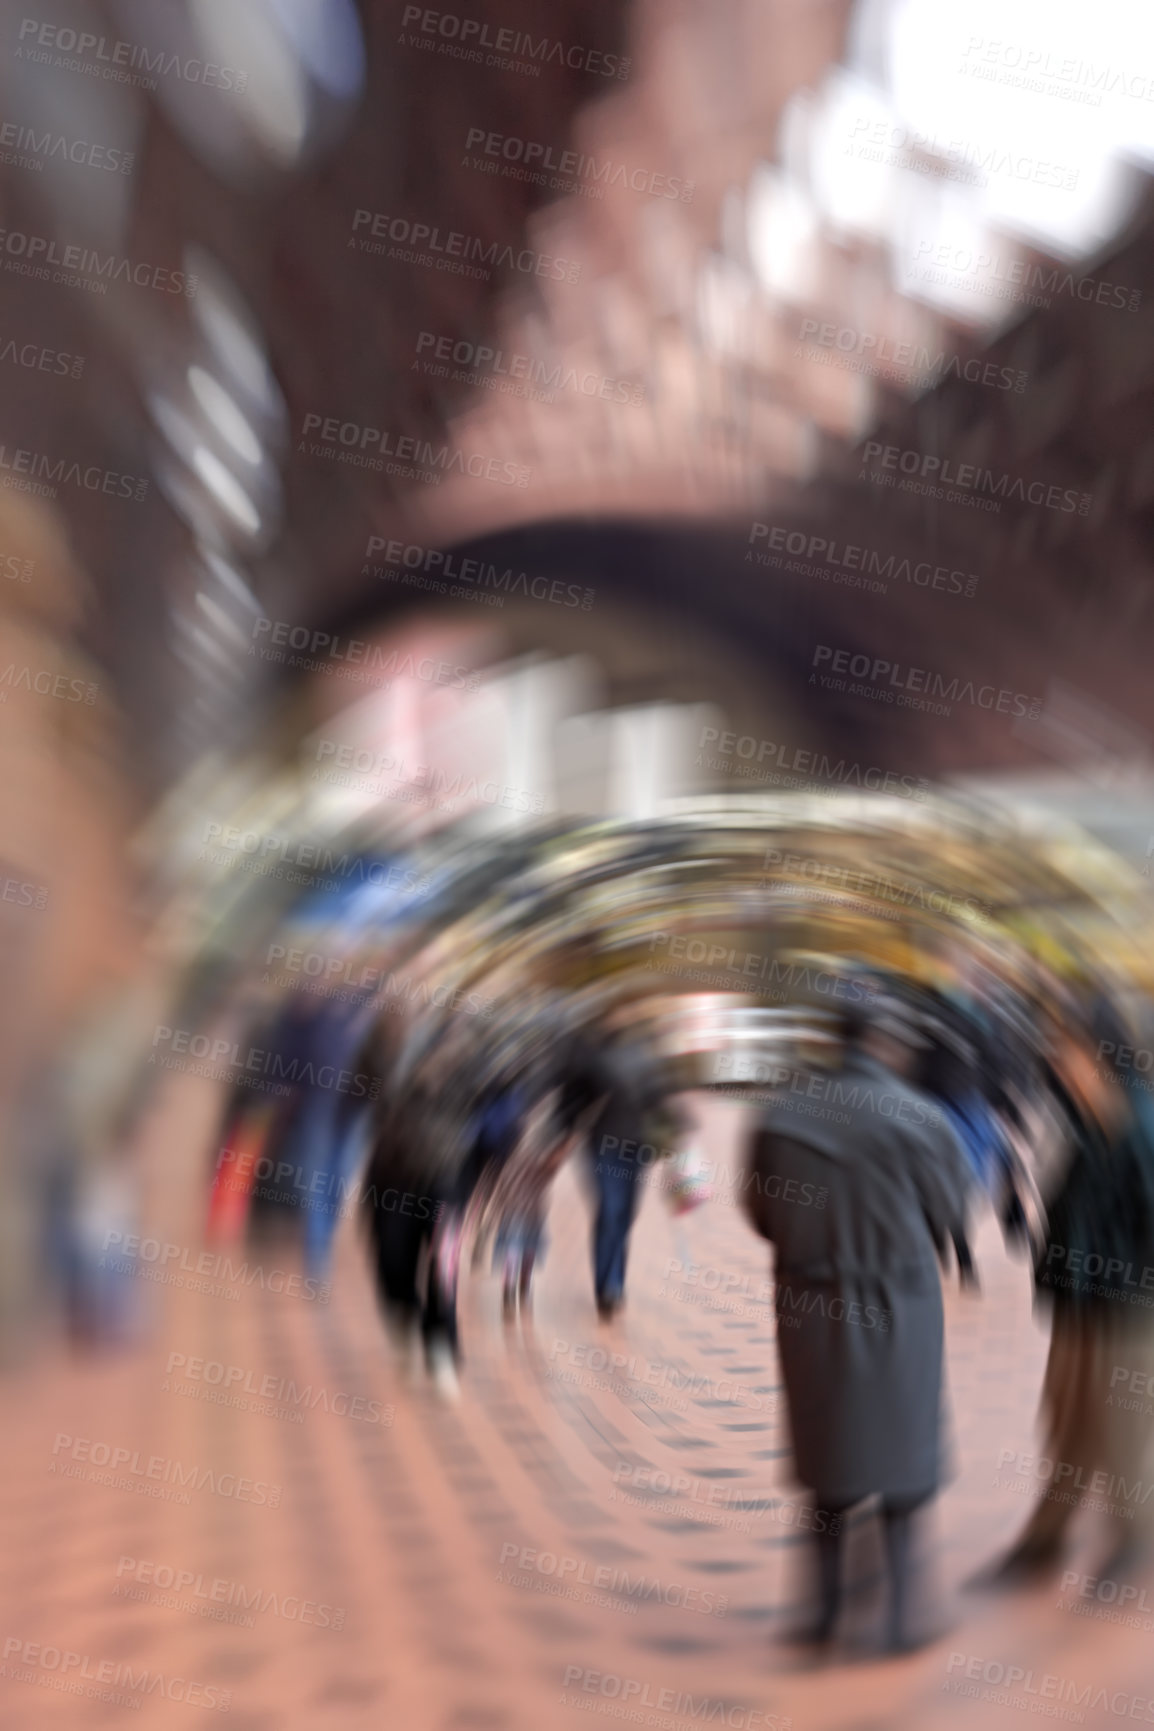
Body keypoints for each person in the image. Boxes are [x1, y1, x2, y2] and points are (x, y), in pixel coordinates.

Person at [743, 995, 972, 1653]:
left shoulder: (782, 1115)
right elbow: (952, 1211)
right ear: (884, 1043)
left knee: (827, 1457)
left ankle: (819, 1616)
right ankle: (903, 1616)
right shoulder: (920, 1117)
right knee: (903, 1458)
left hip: (810, 1304)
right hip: (899, 1302)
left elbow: (761, 1213)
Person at [985, 1006, 1154, 1582]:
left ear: (1101, 1055)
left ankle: (1132, 1542)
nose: (1060, 1062)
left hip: (1129, 1309)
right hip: (1078, 1302)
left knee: (1121, 1431)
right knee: (1067, 1421)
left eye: (1070, 1050)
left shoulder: (1142, 1128)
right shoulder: (1081, 1123)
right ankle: (1045, 1541)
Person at [564, 1025, 686, 1321]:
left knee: (625, 1214)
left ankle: (614, 1278)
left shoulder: (647, 1055)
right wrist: (565, 1131)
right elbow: (573, 1097)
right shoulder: (592, 1055)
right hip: (604, 1145)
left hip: (637, 1147)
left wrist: (677, 1128)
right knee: (610, 1210)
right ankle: (609, 1286)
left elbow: (659, 1099)